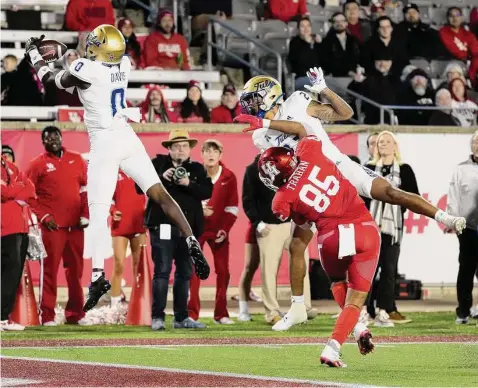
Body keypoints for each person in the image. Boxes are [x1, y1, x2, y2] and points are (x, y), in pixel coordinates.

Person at [233, 69, 466, 331]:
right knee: (297, 245)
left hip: (336, 164)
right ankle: (299, 306)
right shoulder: (258, 136)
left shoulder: (297, 102)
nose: (249, 107)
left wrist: (324, 89)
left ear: (270, 97)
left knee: (389, 192)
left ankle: (443, 216)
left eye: (253, 100)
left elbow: (343, 115)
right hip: (312, 181)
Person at [24, 25, 210, 313]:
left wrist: (36, 56)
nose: (89, 44)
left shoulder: (88, 68)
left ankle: (98, 276)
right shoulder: (123, 63)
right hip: (127, 135)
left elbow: (53, 81)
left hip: (105, 143)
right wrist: (62, 56)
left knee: (98, 213)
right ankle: (190, 238)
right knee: (159, 193)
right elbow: (80, 80)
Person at [257, 136, 378, 367]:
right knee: (356, 300)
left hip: (330, 239)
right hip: (363, 229)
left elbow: (301, 220)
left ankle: (359, 328)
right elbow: (309, 136)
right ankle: (332, 348)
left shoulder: (281, 198)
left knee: (337, 282)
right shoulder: (309, 150)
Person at [141, 129, 213, 330]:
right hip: (162, 227)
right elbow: (140, 188)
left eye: (184, 146)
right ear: (169, 149)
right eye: (176, 146)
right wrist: (161, 179)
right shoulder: (157, 165)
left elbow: (207, 191)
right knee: (162, 272)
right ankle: (158, 317)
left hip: (188, 231)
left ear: (190, 149)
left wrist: (188, 183)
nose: (180, 150)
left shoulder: (198, 169)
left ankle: (181, 318)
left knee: (185, 273)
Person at [242, 152, 316, 324]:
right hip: (270, 226)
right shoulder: (253, 169)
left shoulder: (292, 163)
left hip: (293, 224)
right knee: (269, 271)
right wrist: (257, 222)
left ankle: (303, 307)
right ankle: (271, 312)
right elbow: (248, 199)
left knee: (301, 265)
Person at [26, 126, 89, 326]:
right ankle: (47, 315)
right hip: (53, 228)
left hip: (76, 227)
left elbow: (86, 189)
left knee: (76, 272)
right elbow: (28, 194)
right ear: (43, 143)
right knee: (50, 272)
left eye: (56, 136)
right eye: (48, 138)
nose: (53, 140)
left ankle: (76, 314)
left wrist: (85, 214)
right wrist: (44, 216)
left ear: (62, 138)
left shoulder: (77, 159)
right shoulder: (37, 164)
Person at [363, 131, 418, 326]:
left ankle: (384, 310)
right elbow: (360, 198)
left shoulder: (405, 170)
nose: (383, 145)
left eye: (387, 142)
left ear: (395, 146)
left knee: (389, 269)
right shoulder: (368, 169)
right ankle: (364, 310)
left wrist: (395, 206)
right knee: (367, 270)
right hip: (370, 228)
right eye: (380, 142)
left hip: (393, 229)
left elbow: (414, 197)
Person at [188, 140, 238, 324]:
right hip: (197, 231)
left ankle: (221, 314)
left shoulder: (229, 177)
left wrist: (224, 230)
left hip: (218, 232)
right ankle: (192, 314)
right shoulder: (193, 174)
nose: (210, 154)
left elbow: (232, 208)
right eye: (207, 151)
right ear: (201, 154)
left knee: (223, 271)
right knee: (193, 272)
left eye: (214, 151)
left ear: (220, 155)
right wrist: (198, 209)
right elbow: (183, 202)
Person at [1, 154, 36, 331]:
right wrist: (17, 188)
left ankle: (3, 317)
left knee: (14, 271)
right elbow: (4, 193)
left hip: (20, 225)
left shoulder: (9, 165)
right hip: (5, 226)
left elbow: (30, 187)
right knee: (8, 269)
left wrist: (14, 189)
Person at [447, 132, 478, 324]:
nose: (477, 144)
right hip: (469, 228)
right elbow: (454, 196)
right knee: (466, 270)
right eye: (475, 141)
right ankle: (464, 311)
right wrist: (452, 221)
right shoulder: (461, 169)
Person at [109, 170, 146, 308]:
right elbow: (106, 198)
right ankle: (115, 304)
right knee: (119, 264)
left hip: (139, 224)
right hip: (120, 225)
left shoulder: (142, 172)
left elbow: (154, 194)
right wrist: (113, 211)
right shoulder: (113, 172)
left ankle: (140, 302)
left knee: (139, 266)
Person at [439, 7, 478, 86]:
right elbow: (453, 50)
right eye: (451, 16)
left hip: (470, 63)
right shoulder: (444, 31)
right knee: (454, 70)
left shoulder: (467, 33)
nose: (455, 18)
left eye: (457, 15)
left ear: (461, 17)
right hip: (454, 61)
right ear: (447, 18)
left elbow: (476, 51)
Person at [320, 12, 361, 78]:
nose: (339, 23)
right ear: (332, 24)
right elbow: (328, 63)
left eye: (342, 21)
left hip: (355, 75)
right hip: (335, 77)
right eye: (336, 21)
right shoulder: (326, 41)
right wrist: (348, 72)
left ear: (346, 23)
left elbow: (358, 58)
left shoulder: (354, 40)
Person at [287, 17, 322, 91]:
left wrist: (320, 44)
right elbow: (300, 63)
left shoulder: (316, 42)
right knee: (321, 83)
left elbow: (322, 61)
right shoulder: (294, 43)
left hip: (318, 76)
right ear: (298, 29)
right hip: (301, 77)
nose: (306, 28)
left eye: (308, 26)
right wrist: (307, 44)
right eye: (302, 26)